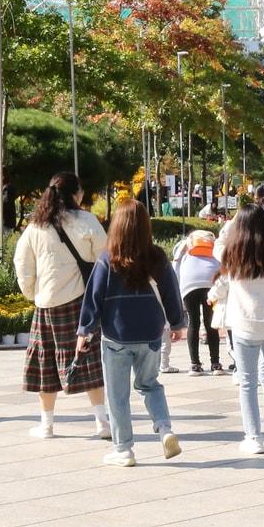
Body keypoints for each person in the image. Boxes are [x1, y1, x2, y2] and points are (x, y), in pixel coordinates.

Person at [76, 200, 187, 467]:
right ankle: (164, 429)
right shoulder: (157, 257)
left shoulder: (107, 258)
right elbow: (171, 292)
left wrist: (85, 330)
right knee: (150, 384)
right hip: (150, 334)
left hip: (116, 335)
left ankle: (124, 449)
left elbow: (94, 296)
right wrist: (177, 323)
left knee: (117, 394)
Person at [13, 172, 111, 440]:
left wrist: (33, 293)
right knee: (90, 361)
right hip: (81, 302)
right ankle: (102, 422)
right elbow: (104, 259)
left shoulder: (35, 226)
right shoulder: (87, 220)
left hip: (45, 304)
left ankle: (47, 425)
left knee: (44, 362)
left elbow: (22, 263)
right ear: (75, 194)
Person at [207, 205, 264, 455]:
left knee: (247, 382)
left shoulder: (233, 252)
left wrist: (231, 223)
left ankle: (253, 437)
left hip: (244, 324)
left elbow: (218, 243)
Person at [173, 231, 225, 376]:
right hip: (210, 283)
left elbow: (175, 265)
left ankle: (195, 365)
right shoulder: (213, 246)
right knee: (210, 323)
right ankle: (216, 364)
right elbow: (222, 264)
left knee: (193, 323)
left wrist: (178, 288)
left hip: (189, 284)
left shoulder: (185, 246)